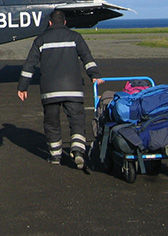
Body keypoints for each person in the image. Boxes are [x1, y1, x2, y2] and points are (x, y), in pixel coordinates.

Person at [16, 10, 103, 168]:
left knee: (52, 124)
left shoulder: (40, 40)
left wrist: (23, 86)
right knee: (77, 120)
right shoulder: (75, 37)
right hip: (73, 89)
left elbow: (29, 65)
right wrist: (94, 75)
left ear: (49, 23)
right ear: (64, 22)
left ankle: (55, 156)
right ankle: (77, 151)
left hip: (50, 91)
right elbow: (87, 58)